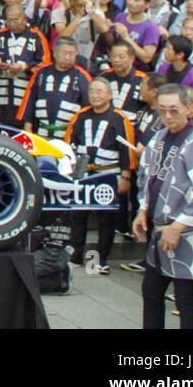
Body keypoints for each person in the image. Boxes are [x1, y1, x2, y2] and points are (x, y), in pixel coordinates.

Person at [135, 82, 193, 329]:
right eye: (162, 111)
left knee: (187, 300)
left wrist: (178, 227)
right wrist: (142, 210)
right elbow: (146, 177)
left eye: (174, 110)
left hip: (188, 232)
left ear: (190, 107)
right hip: (159, 228)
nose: (168, 116)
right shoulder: (158, 137)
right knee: (151, 292)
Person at [64, 77, 136, 274]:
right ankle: (76, 255)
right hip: (83, 171)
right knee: (78, 215)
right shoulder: (80, 116)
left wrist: (126, 176)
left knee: (106, 219)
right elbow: (69, 143)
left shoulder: (119, 118)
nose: (95, 95)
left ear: (109, 95)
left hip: (108, 173)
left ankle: (100, 259)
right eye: (92, 91)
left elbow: (126, 149)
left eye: (99, 91)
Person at [0, 3, 52, 126]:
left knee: (22, 119)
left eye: (16, 19)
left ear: (24, 18)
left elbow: (44, 61)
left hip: (25, 85)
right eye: (9, 20)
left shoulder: (36, 36)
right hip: (0, 83)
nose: (13, 23)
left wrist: (25, 66)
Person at [17, 37, 92, 139]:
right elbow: (30, 100)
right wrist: (27, 125)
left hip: (68, 134)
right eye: (64, 53)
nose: (67, 57)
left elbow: (88, 107)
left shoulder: (82, 77)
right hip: (41, 131)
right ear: (55, 53)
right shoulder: (41, 73)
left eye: (71, 54)